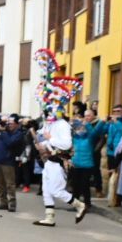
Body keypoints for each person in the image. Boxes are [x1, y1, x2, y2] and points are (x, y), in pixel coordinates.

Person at [33, 97, 87, 227]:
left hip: (59, 161)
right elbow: (47, 139)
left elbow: (66, 144)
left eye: (50, 110)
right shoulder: (51, 123)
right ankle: (49, 217)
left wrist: (49, 139)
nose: (47, 113)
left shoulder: (63, 124)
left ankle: (80, 205)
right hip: (50, 161)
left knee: (56, 190)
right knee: (46, 189)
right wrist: (42, 143)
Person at [0, 115, 25, 211]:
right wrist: (2, 118)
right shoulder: (5, 131)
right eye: (8, 123)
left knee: (10, 184)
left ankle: (12, 204)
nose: (9, 125)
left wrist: (3, 132)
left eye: (11, 123)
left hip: (8, 161)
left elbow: (10, 143)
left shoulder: (19, 133)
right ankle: (3, 202)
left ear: (17, 124)